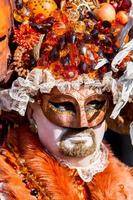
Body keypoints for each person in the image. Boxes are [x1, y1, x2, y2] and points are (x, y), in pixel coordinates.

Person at [0, 0, 133, 199]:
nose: (82, 123)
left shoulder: (126, 185)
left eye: (95, 104)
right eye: (63, 105)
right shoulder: (7, 186)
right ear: (30, 112)